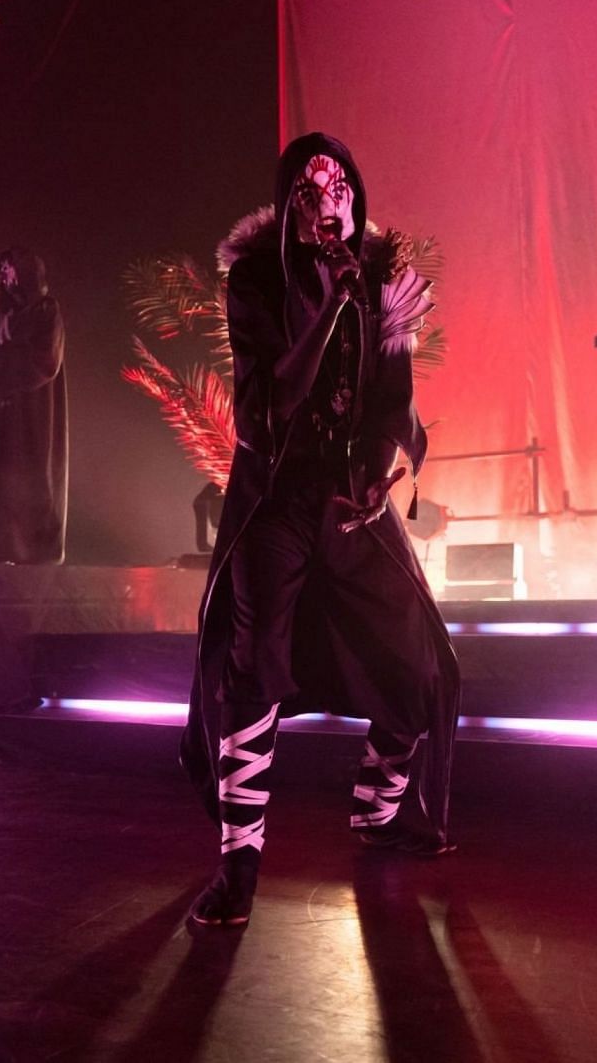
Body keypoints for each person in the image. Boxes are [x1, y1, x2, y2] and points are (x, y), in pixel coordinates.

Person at [182, 132, 458, 928]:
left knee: (419, 659)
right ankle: (238, 863)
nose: (326, 196)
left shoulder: (382, 280)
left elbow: (391, 394)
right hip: (275, 498)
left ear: (354, 199)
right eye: (309, 187)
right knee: (254, 667)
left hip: (349, 499)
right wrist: (332, 307)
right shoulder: (257, 281)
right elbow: (264, 412)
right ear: (291, 200)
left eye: (339, 186)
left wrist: (379, 466)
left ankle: (378, 807)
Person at [0, 248, 68, 564]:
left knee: (29, 477)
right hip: (3, 410)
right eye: (4, 269)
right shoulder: (3, 312)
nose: (5, 275)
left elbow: (46, 361)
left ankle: (30, 553)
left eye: (10, 268)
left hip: (32, 412)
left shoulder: (46, 310)